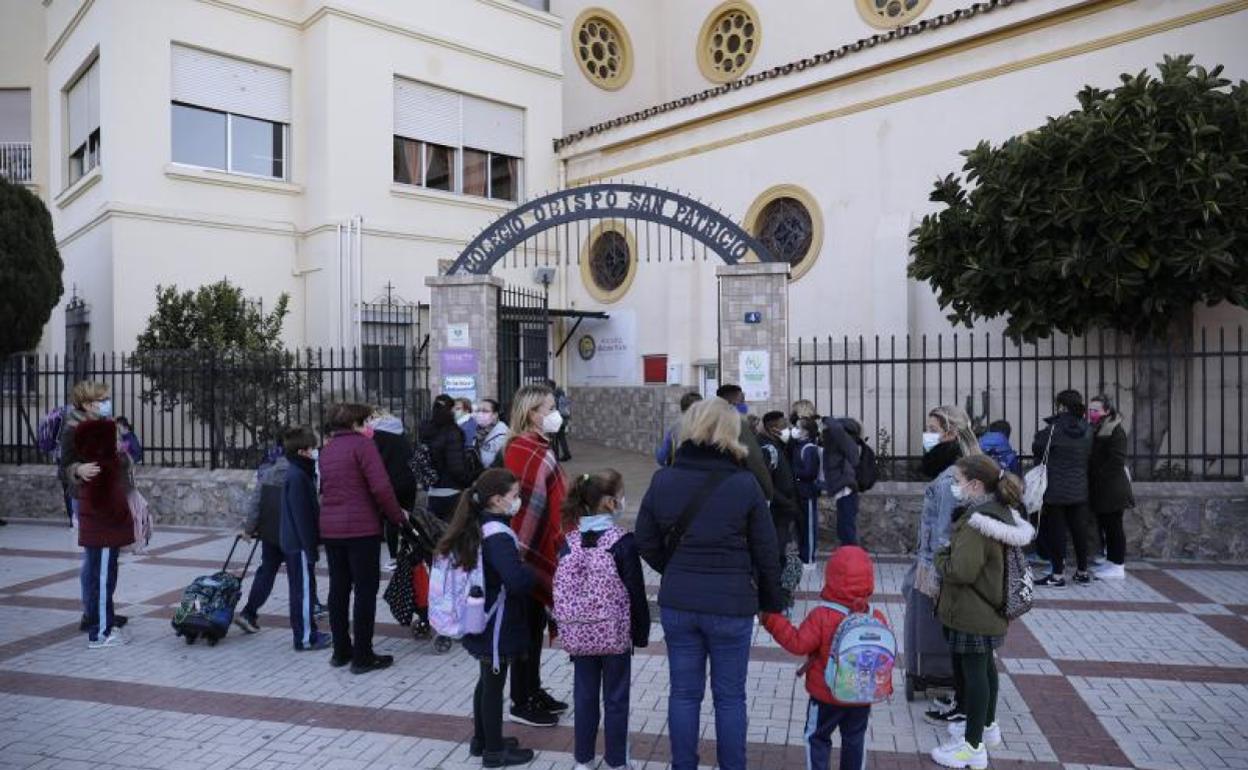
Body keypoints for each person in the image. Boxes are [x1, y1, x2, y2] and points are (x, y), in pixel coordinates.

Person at [635, 398, 784, 770]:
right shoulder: (746, 484)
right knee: (730, 697)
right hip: (731, 604)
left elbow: (644, 539)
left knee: (684, 694)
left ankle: (682, 765)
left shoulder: (664, 479)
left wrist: (674, 568)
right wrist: (770, 601)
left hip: (679, 603)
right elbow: (767, 550)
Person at [930, 455, 1034, 769]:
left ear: (976, 485)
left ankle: (972, 748)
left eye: (958, 481)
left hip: (972, 611)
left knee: (975, 675)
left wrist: (940, 558)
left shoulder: (977, 523)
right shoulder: (1000, 513)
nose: (955, 487)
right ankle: (986, 727)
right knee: (985, 669)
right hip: (988, 609)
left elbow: (962, 571)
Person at [437, 469, 537, 768]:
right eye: (515, 496)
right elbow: (516, 581)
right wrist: (530, 571)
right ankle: (494, 752)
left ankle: (483, 740)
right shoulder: (498, 535)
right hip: (497, 622)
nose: (518, 501)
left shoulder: (479, 523)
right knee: (493, 686)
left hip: (481, 617)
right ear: (496, 499)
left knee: (486, 682)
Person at [761, 545, 889, 770]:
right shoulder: (876, 617)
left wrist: (772, 620)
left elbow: (798, 643)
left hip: (825, 695)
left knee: (817, 738)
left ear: (830, 576)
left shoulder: (822, 615)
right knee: (855, 739)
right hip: (860, 695)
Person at [556, 470, 649, 770]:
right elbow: (635, 591)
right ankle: (616, 761)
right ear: (610, 502)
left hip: (579, 635)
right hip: (614, 635)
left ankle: (583, 759)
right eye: (620, 495)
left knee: (584, 697)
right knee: (616, 698)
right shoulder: (623, 542)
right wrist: (641, 631)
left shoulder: (568, 542)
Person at [318, 402, 407, 674]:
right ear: (357, 423)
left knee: (338, 589)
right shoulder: (363, 446)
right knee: (365, 591)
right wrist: (397, 517)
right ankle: (363, 655)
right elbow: (381, 486)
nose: (371, 426)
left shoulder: (327, 449)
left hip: (331, 530)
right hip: (361, 530)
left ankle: (341, 651)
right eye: (367, 421)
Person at [910, 405, 982, 726]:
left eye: (933, 428)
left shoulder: (950, 479)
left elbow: (943, 534)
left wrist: (936, 570)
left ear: (951, 433)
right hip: (957, 566)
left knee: (957, 638)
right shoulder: (964, 468)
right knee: (958, 638)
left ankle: (964, 706)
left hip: (947, 569)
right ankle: (964, 700)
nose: (929, 435)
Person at [502, 383, 569, 727]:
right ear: (532, 413)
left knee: (536, 625)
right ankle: (521, 699)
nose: (555, 413)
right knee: (525, 629)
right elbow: (523, 509)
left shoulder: (540, 446)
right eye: (549, 407)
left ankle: (534, 687)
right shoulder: (522, 448)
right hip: (524, 552)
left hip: (540, 547)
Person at [60, 381, 135, 649]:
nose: (107, 403)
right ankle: (97, 624)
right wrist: (77, 470)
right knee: (97, 568)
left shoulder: (107, 425)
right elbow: (64, 467)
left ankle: (104, 617)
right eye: (102, 399)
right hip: (94, 502)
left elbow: (115, 462)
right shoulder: (73, 429)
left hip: (110, 499)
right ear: (88, 403)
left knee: (106, 566)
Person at [235, 429, 325, 635]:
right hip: (294, 533)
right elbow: (311, 506)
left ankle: (249, 612)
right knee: (302, 579)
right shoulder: (303, 473)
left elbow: (256, 503)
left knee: (266, 571)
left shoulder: (268, 472)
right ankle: (307, 623)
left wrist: (249, 529)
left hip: (271, 532)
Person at [276, 426, 331, 651]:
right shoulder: (298, 476)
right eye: (311, 448)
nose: (315, 452)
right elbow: (303, 516)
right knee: (303, 592)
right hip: (298, 544)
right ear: (302, 452)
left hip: (295, 542)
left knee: (301, 590)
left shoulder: (299, 473)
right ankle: (306, 637)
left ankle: (309, 631)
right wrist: (311, 547)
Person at [1032, 390, 1094, 587]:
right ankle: (1082, 572)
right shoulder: (1087, 428)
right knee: (1079, 530)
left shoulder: (1052, 429)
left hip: (1055, 488)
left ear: (1061, 406)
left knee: (1057, 531)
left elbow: (1038, 447)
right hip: (1080, 487)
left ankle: (1058, 575)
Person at [1088, 395, 1134, 580]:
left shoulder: (1115, 430)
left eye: (1096, 410)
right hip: (1102, 488)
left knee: (1114, 527)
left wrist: (1099, 474)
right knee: (1106, 525)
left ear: (1107, 411)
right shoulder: (1099, 428)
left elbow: (1117, 459)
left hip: (1113, 488)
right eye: (1090, 410)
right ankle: (1111, 561)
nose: (1092, 413)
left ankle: (1118, 565)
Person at [369, 409, 417, 571]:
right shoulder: (401, 431)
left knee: (391, 520)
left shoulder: (377, 435)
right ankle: (412, 551)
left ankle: (393, 558)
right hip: (408, 480)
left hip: (391, 481)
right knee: (407, 517)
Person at [758, 411, 801, 572]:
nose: (788, 429)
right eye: (784, 426)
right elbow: (765, 482)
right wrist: (786, 502)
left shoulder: (778, 445)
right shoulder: (766, 448)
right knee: (775, 552)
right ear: (772, 428)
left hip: (784, 509)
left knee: (781, 548)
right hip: (777, 510)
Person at [714, 384, 774, 500]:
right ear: (731, 402)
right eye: (741, 401)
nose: (744, 405)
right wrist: (767, 492)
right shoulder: (738, 423)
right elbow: (754, 458)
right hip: (736, 487)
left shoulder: (705, 422)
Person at [421, 394, 472, 521]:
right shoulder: (453, 432)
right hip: (452, 491)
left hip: (432, 490)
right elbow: (456, 467)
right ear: (450, 410)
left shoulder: (426, 429)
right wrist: (468, 482)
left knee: (436, 533)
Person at [820, 417, 862, 546]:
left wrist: (825, 419)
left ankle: (852, 558)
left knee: (847, 529)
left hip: (847, 490)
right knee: (843, 528)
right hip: (843, 490)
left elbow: (836, 429)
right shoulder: (842, 444)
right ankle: (848, 556)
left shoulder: (846, 441)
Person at [789, 416, 823, 567]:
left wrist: (792, 472)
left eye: (798, 428)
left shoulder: (809, 449)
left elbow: (810, 472)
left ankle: (809, 559)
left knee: (808, 526)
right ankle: (803, 554)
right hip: (799, 492)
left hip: (807, 492)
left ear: (806, 432)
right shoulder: (798, 445)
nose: (794, 430)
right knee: (800, 525)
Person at [656, 391, 702, 467]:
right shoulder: (710, 426)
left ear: (682, 407)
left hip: (679, 469)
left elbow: (662, 458)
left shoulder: (674, 427)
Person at [475, 399, 509, 468]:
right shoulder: (478, 432)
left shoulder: (503, 434)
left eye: (485, 411)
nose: (480, 414)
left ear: (495, 415)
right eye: (478, 410)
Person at [545, 379, 573, 462]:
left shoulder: (553, 396)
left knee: (554, 438)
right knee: (561, 437)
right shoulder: (561, 394)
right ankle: (566, 454)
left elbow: (552, 409)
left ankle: (555, 456)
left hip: (556, 419)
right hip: (563, 419)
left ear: (550, 387)